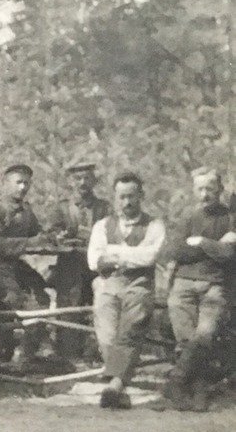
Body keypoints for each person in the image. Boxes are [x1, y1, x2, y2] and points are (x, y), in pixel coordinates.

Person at [86, 172, 165, 411]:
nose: (126, 203)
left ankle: (115, 384)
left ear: (141, 196)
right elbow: (94, 260)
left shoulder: (154, 225)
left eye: (131, 196)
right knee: (107, 335)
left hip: (138, 285)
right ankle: (118, 390)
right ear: (115, 198)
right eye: (121, 197)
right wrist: (130, 255)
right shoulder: (102, 225)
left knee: (131, 330)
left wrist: (115, 254)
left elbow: (150, 256)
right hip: (109, 284)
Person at [161, 167, 235, 409]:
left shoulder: (230, 217)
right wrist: (214, 247)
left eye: (210, 189)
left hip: (214, 286)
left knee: (204, 335)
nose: (205, 195)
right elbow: (176, 251)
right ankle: (199, 389)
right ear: (194, 191)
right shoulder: (188, 217)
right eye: (200, 189)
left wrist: (201, 242)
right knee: (185, 339)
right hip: (183, 284)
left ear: (220, 190)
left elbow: (229, 255)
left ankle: (176, 381)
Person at [46, 161, 110, 359]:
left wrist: (89, 235)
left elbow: (112, 234)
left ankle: (96, 352)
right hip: (69, 266)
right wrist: (59, 237)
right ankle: (66, 355)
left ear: (94, 181)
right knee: (69, 308)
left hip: (96, 268)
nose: (83, 183)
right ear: (71, 182)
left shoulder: (103, 208)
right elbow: (49, 234)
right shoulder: (62, 208)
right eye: (78, 179)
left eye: (87, 178)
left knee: (99, 307)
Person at [0, 163, 49, 368]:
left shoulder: (26, 210)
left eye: (26, 183)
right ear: (6, 184)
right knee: (13, 300)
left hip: (16, 266)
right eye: (18, 183)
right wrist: (29, 243)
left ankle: (25, 356)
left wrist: (50, 237)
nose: (23, 188)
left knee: (42, 298)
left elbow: (37, 232)